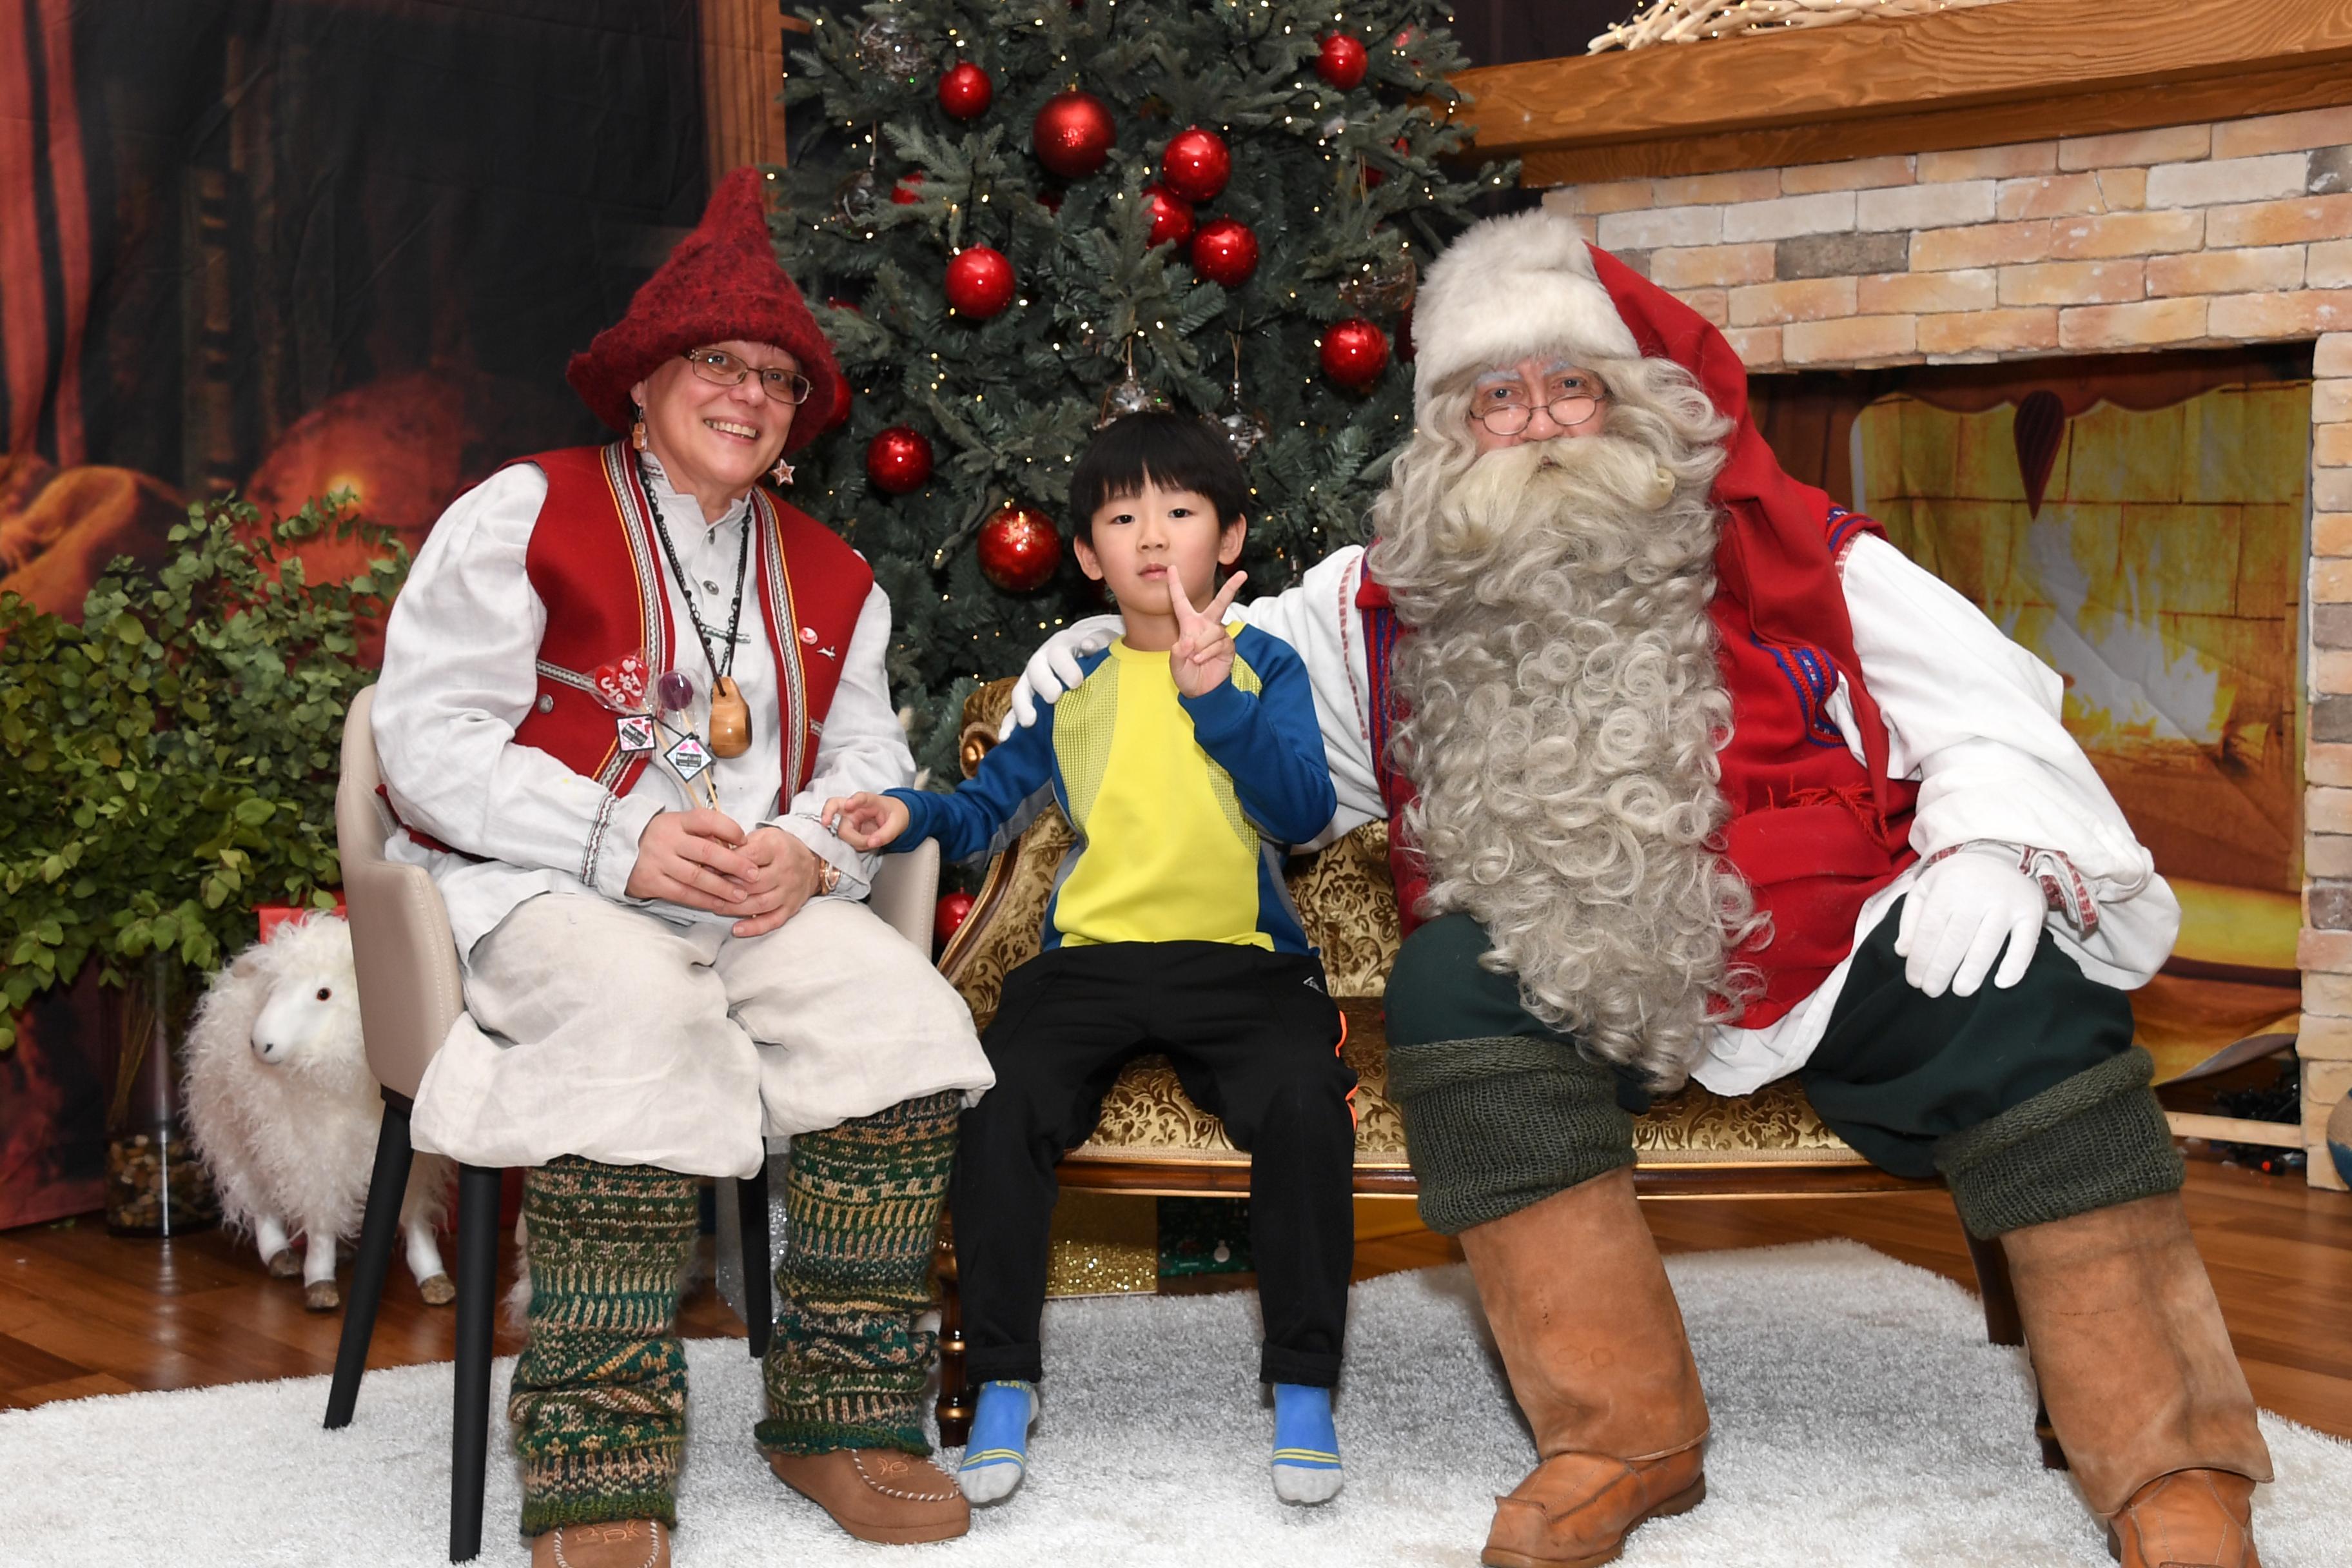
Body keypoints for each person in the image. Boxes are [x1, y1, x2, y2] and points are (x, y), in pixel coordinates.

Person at [1002, 210, 2269, 1568]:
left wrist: (1998, 850)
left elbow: (1987, 702)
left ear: (1632, 404)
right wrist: (1105, 647)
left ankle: (2170, 1461)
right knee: (1452, 984)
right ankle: (1620, 1431)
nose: (1540, 422)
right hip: (1564, 957)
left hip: (1826, 941)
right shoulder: (1378, 603)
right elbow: (1229, 672)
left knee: (2029, 996)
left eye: (1573, 386)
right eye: (1499, 395)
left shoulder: (1786, 549)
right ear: (1449, 431)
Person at [373, 169, 994, 1566]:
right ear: (647, 381)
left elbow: (873, 769)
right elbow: (423, 738)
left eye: (777, 377)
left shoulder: (837, 574)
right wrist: (619, 833)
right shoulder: (521, 509)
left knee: (906, 1022)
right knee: (639, 1021)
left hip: (747, 906)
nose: (748, 393)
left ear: (796, 422)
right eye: (718, 361)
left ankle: (842, 1413)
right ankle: (598, 1448)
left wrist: (807, 848)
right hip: (543, 889)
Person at [825, 411, 1356, 1509]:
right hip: (1091, 965)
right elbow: (984, 810)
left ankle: (1303, 1384)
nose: (1153, 537)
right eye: (1123, 517)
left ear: (1231, 535)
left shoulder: (1265, 665)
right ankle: (1003, 1375)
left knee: (1305, 1105)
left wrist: (1218, 702)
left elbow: (1304, 811)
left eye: (1181, 511)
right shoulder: (1075, 684)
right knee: (1000, 1101)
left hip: (1243, 963)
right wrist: (905, 812)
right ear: (1085, 554)